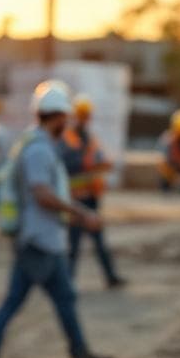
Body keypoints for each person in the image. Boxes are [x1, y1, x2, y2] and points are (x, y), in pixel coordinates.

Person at [0, 82, 112, 358]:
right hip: (37, 242)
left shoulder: (38, 144)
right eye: (65, 117)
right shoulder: (38, 150)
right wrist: (81, 213)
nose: (68, 123)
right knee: (15, 301)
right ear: (58, 117)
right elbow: (42, 194)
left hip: (46, 240)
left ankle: (79, 353)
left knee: (64, 299)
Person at [59, 94, 125, 288]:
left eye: (86, 115)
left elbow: (95, 159)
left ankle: (111, 276)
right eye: (81, 115)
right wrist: (93, 168)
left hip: (92, 198)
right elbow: (71, 167)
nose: (84, 118)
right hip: (75, 200)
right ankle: (67, 281)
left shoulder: (88, 137)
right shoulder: (67, 140)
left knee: (99, 241)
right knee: (74, 244)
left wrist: (103, 164)